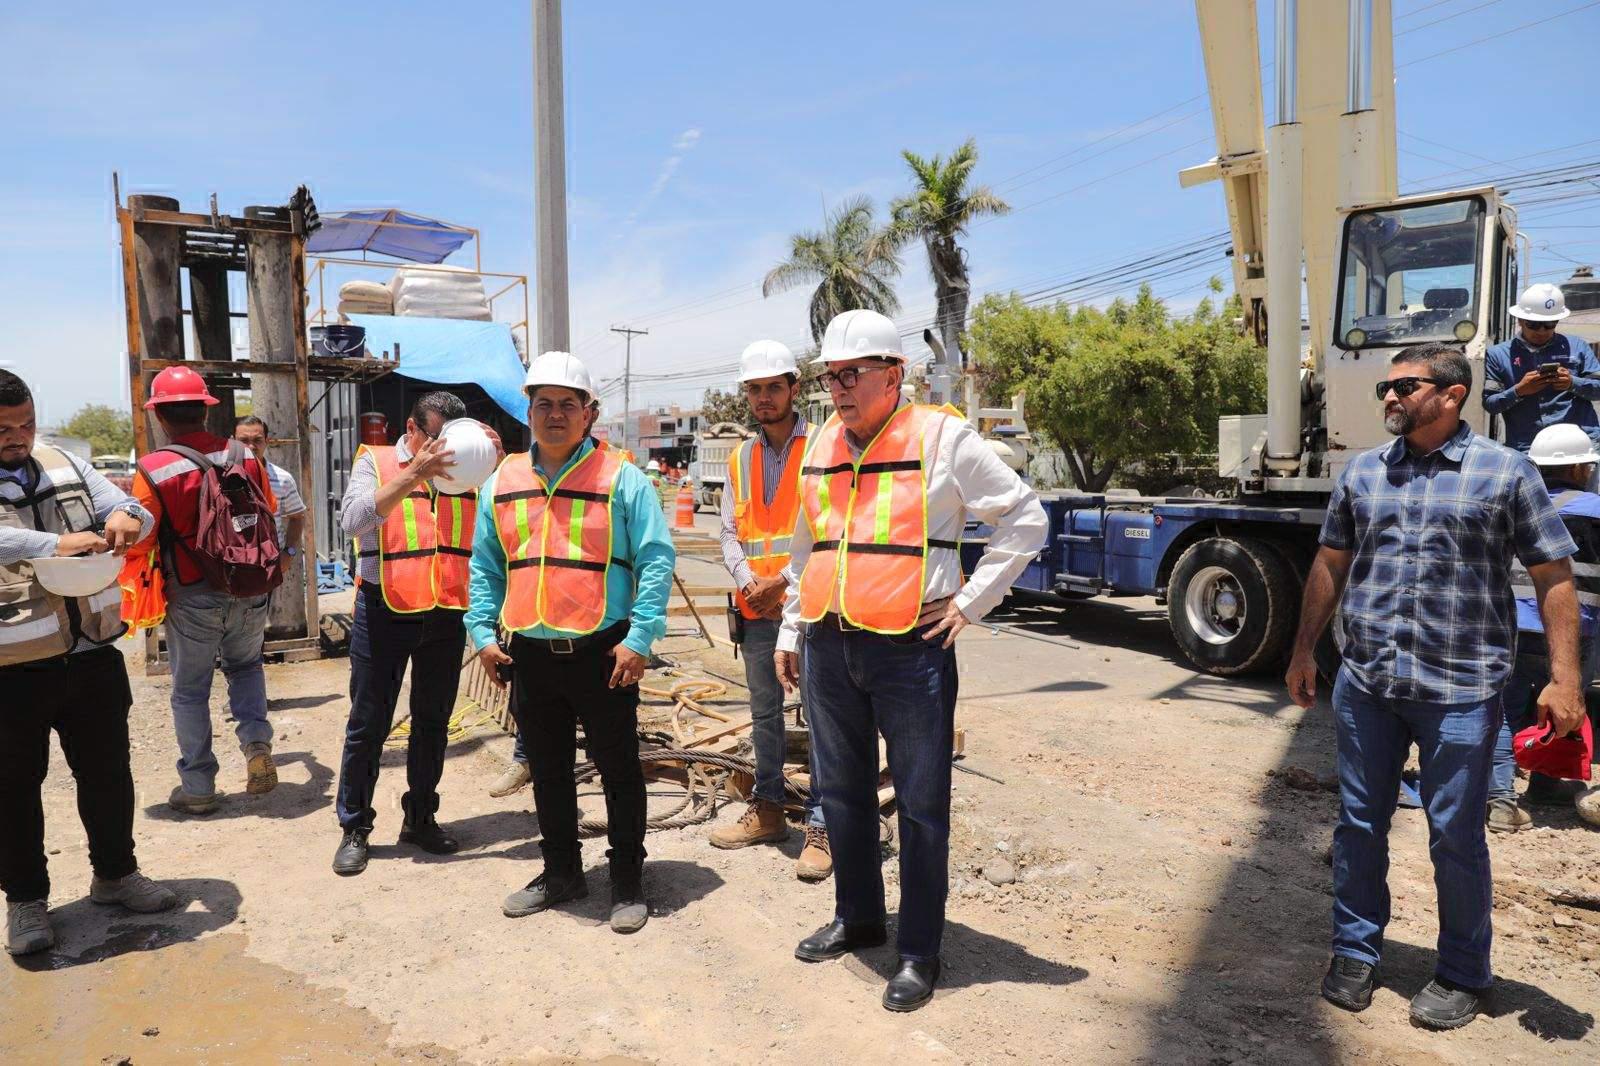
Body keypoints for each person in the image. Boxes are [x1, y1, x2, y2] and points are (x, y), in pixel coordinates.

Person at [1285, 343, 1587, 1030]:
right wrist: (1304, 649)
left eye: (1404, 386)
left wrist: (1566, 678)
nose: (1389, 398)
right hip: (1368, 684)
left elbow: (1553, 576)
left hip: (1461, 690)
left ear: (1452, 395)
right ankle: (1355, 950)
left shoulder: (1505, 472)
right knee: (1359, 824)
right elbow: (1331, 562)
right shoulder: (1364, 472)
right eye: (1385, 389)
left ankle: (1462, 972)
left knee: (1455, 834)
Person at [774, 309, 1047, 1012]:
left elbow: (1026, 519)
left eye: (853, 374)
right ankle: (859, 917)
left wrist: (969, 603)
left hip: (910, 652)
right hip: (828, 643)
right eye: (831, 376)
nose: (839, 388)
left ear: (894, 375)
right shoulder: (821, 443)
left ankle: (920, 951)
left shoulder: (942, 438)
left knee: (922, 807)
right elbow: (807, 548)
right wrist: (790, 630)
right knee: (841, 792)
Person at [470, 351, 675, 934]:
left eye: (568, 404)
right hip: (531, 653)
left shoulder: (622, 478)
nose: (555, 414)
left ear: (589, 413)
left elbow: (656, 560)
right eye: (544, 404)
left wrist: (641, 638)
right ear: (528, 411)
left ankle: (627, 878)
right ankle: (561, 872)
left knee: (618, 769)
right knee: (549, 770)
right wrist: (482, 634)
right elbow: (485, 566)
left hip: (604, 653)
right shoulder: (502, 482)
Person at [0, 370, 178, 956]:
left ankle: (116, 875)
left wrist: (131, 515)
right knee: (12, 787)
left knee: (107, 773)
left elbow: (124, 504)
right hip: (13, 665)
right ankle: (26, 901)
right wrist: (53, 544)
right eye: (4, 430)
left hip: (91, 651)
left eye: (26, 424)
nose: (19, 437)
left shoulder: (63, 463)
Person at [331, 391, 497, 876]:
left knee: (433, 721)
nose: (445, 449)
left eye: (454, 439)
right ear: (411, 429)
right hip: (384, 608)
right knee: (369, 723)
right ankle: (355, 827)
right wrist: (414, 475)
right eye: (435, 437)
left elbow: (505, 515)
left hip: (446, 611)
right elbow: (352, 521)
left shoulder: (468, 468)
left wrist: (494, 459)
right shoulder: (377, 461)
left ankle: (421, 817)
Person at [127, 365, 279, 814]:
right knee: (246, 667)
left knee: (190, 689)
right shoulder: (243, 454)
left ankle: (198, 787)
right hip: (249, 582)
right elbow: (267, 509)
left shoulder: (154, 469)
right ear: (206, 410)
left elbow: (142, 539)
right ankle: (256, 746)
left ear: (159, 416)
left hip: (192, 590)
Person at [710, 339, 831, 880]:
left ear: (793, 389)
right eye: (755, 389)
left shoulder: (824, 446)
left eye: (773, 387)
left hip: (811, 604)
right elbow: (729, 533)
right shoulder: (740, 457)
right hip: (758, 608)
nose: (764, 397)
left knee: (824, 715)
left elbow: (831, 528)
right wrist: (749, 582)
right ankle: (768, 810)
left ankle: (823, 825)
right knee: (764, 713)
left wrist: (782, 582)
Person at [1489, 422, 1600, 830]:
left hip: (1511, 625)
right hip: (1573, 631)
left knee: (1501, 711)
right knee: (1562, 707)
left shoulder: (1513, 504)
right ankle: (1545, 783)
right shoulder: (1595, 510)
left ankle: (1500, 800)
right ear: (1580, 469)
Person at [1483, 283, 1600, 454]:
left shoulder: (1578, 347)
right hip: (1528, 447)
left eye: (1549, 324)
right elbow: (1490, 404)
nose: (1542, 331)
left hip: (1582, 443)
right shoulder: (1498, 355)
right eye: (1534, 324)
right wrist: (1519, 391)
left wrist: (1572, 383)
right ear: (1520, 320)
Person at [233, 415, 307, 555]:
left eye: (257, 440)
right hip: (233, 561)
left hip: (272, 561)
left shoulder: (283, 479)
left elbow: (297, 517)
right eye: (244, 441)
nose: (251, 446)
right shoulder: (221, 478)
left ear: (266, 441)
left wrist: (289, 552)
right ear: (232, 441)